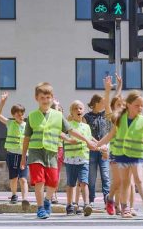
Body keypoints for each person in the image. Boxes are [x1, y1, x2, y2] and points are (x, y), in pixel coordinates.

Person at [20, 82, 97, 219]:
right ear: (36, 98)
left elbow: (71, 130)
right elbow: (26, 137)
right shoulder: (32, 116)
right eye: (42, 98)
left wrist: (87, 141)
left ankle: (47, 200)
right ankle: (40, 208)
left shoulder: (57, 116)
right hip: (35, 152)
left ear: (52, 98)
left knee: (53, 181)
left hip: (52, 153)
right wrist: (23, 156)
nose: (45, 100)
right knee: (39, 181)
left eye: (48, 97)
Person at [96, 91, 143, 218]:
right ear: (128, 105)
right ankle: (116, 203)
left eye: (141, 105)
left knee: (134, 180)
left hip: (134, 154)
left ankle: (138, 203)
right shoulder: (118, 118)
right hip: (118, 154)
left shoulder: (141, 119)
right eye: (137, 105)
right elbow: (110, 135)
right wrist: (98, 144)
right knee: (121, 182)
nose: (140, 108)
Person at [83, 76, 117, 214]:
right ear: (96, 103)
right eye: (102, 102)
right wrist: (97, 144)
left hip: (104, 149)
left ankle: (107, 201)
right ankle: (91, 200)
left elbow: (108, 132)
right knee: (91, 177)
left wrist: (103, 145)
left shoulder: (105, 115)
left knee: (105, 176)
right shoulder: (86, 116)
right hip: (92, 149)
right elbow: (85, 133)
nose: (104, 104)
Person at [0, 91, 30, 207]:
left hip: (24, 155)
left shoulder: (28, 126)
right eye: (17, 114)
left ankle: (25, 199)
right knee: (14, 177)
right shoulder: (10, 123)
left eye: (21, 114)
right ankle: (14, 195)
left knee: (23, 178)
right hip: (12, 154)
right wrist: (2, 102)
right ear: (13, 115)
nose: (20, 116)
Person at [63, 100, 95, 216]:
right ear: (71, 112)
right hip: (71, 158)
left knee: (84, 182)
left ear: (84, 111)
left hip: (83, 158)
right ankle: (69, 204)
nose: (79, 110)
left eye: (81, 108)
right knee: (71, 184)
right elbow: (65, 137)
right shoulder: (68, 125)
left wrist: (99, 147)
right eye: (76, 108)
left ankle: (86, 204)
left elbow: (90, 139)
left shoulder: (86, 127)